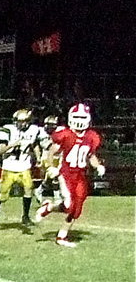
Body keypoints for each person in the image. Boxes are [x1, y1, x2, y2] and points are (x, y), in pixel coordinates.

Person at [35, 103, 106, 247]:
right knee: (69, 205)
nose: (79, 120)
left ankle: (61, 234)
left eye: (82, 117)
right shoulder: (66, 134)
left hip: (80, 175)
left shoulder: (91, 136)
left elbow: (91, 155)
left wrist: (98, 166)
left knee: (76, 209)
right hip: (66, 174)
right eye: (77, 116)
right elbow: (51, 152)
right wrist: (50, 167)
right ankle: (49, 208)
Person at [0, 108, 50, 227]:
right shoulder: (8, 130)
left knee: (29, 188)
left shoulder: (33, 130)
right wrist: (13, 144)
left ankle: (25, 216)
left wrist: (38, 158)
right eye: (21, 121)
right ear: (15, 121)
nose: (24, 124)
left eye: (26, 121)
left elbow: (34, 144)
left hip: (24, 166)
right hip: (9, 166)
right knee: (3, 196)